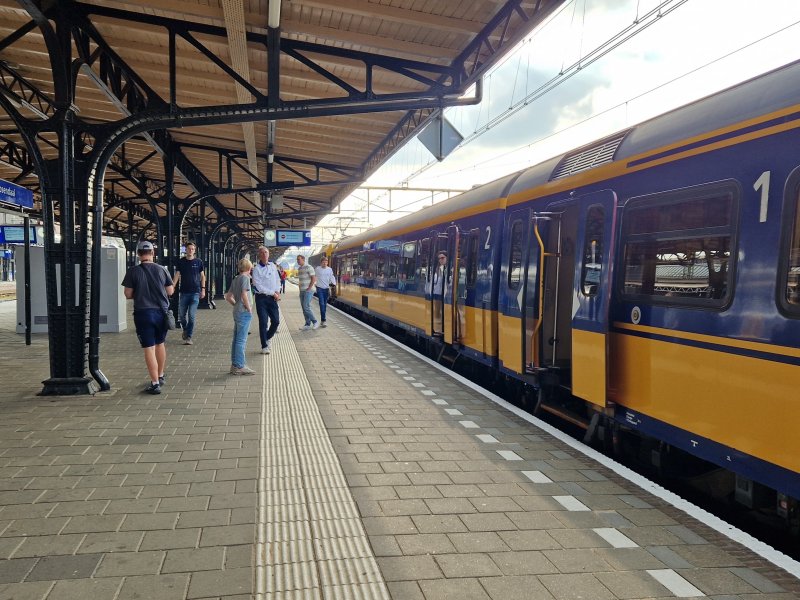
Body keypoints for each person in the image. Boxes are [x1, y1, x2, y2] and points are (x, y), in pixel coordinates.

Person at [122, 240, 174, 394]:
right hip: (160, 313)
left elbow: (127, 294)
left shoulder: (133, 271)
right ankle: (161, 374)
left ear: (138, 254)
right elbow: (170, 291)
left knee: (149, 348)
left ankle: (155, 383)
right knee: (160, 344)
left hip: (143, 313)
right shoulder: (162, 270)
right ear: (152, 253)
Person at [225, 258, 256, 375]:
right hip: (243, 312)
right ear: (249, 268)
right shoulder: (245, 278)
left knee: (236, 339)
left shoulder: (236, 278)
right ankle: (239, 366)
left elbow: (228, 297)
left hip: (237, 311)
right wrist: (249, 309)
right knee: (241, 340)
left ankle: (234, 364)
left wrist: (235, 305)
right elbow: (244, 295)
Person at [172, 241, 205, 345]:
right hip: (184, 293)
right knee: (181, 316)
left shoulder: (198, 262)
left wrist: (203, 289)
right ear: (185, 250)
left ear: (194, 251)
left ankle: (189, 337)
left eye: (192, 249)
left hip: (195, 292)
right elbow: (177, 275)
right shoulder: (181, 262)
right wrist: (172, 287)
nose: (190, 250)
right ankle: (185, 329)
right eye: (189, 249)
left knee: (191, 315)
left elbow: (202, 276)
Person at [251, 246, 281, 354]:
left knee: (276, 321)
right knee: (263, 322)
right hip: (261, 299)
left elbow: (278, 280)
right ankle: (264, 346)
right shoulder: (256, 269)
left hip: (273, 298)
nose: (264, 254)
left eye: (266, 252)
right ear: (259, 255)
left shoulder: (273, 266)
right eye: (262, 253)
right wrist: (272, 292)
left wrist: (277, 291)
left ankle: (267, 337)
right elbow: (257, 286)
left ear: (268, 254)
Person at [296, 254, 318, 330]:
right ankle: (307, 324)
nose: (297, 261)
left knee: (306, 306)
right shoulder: (299, 269)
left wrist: (309, 287)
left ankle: (315, 322)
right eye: (297, 259)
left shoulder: (309, 267)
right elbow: (300, 280)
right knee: (303, 308)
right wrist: (300, 289)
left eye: (299, 259)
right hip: (302, 290)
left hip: (308, 290)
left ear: (303, 259)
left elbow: (313, 278)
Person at [314, 256, 336, 327]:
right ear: (321, 263)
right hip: (319, 288)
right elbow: (313, 276)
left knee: (325, 305)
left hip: (326, 289)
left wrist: (333, 284)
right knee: (322, 304)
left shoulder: (329, 269)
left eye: (326, 262)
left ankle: (322, 320)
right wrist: (314, 283)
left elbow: (332, 277)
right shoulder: (317, 269)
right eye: (323, 262)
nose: (325, 263)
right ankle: (323, 320)